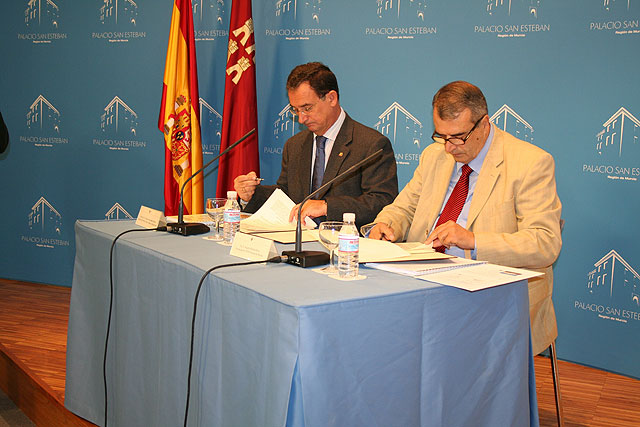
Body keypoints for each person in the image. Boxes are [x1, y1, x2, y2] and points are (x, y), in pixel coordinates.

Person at [368, 81, 562, 355]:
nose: (449, 147)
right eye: (441, 136)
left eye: (458, 136)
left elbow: (545, 243)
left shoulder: (530, 163)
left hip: (490, 291)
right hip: (423, 277)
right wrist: (386, 224)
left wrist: (473, 240)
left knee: (442, 342)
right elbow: (404, 208)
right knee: (377, 326)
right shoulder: (434, 155)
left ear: (484, 123)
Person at [233, 62, 398, 229]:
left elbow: (382, 201)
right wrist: (252, 195)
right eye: (295, 110)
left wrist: (326, 206)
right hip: (297, 242)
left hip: (347, 245)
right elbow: (286, 195)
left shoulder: (371, 145)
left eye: (307, 108)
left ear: (331, 98)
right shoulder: (295, 145)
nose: (301, 118)